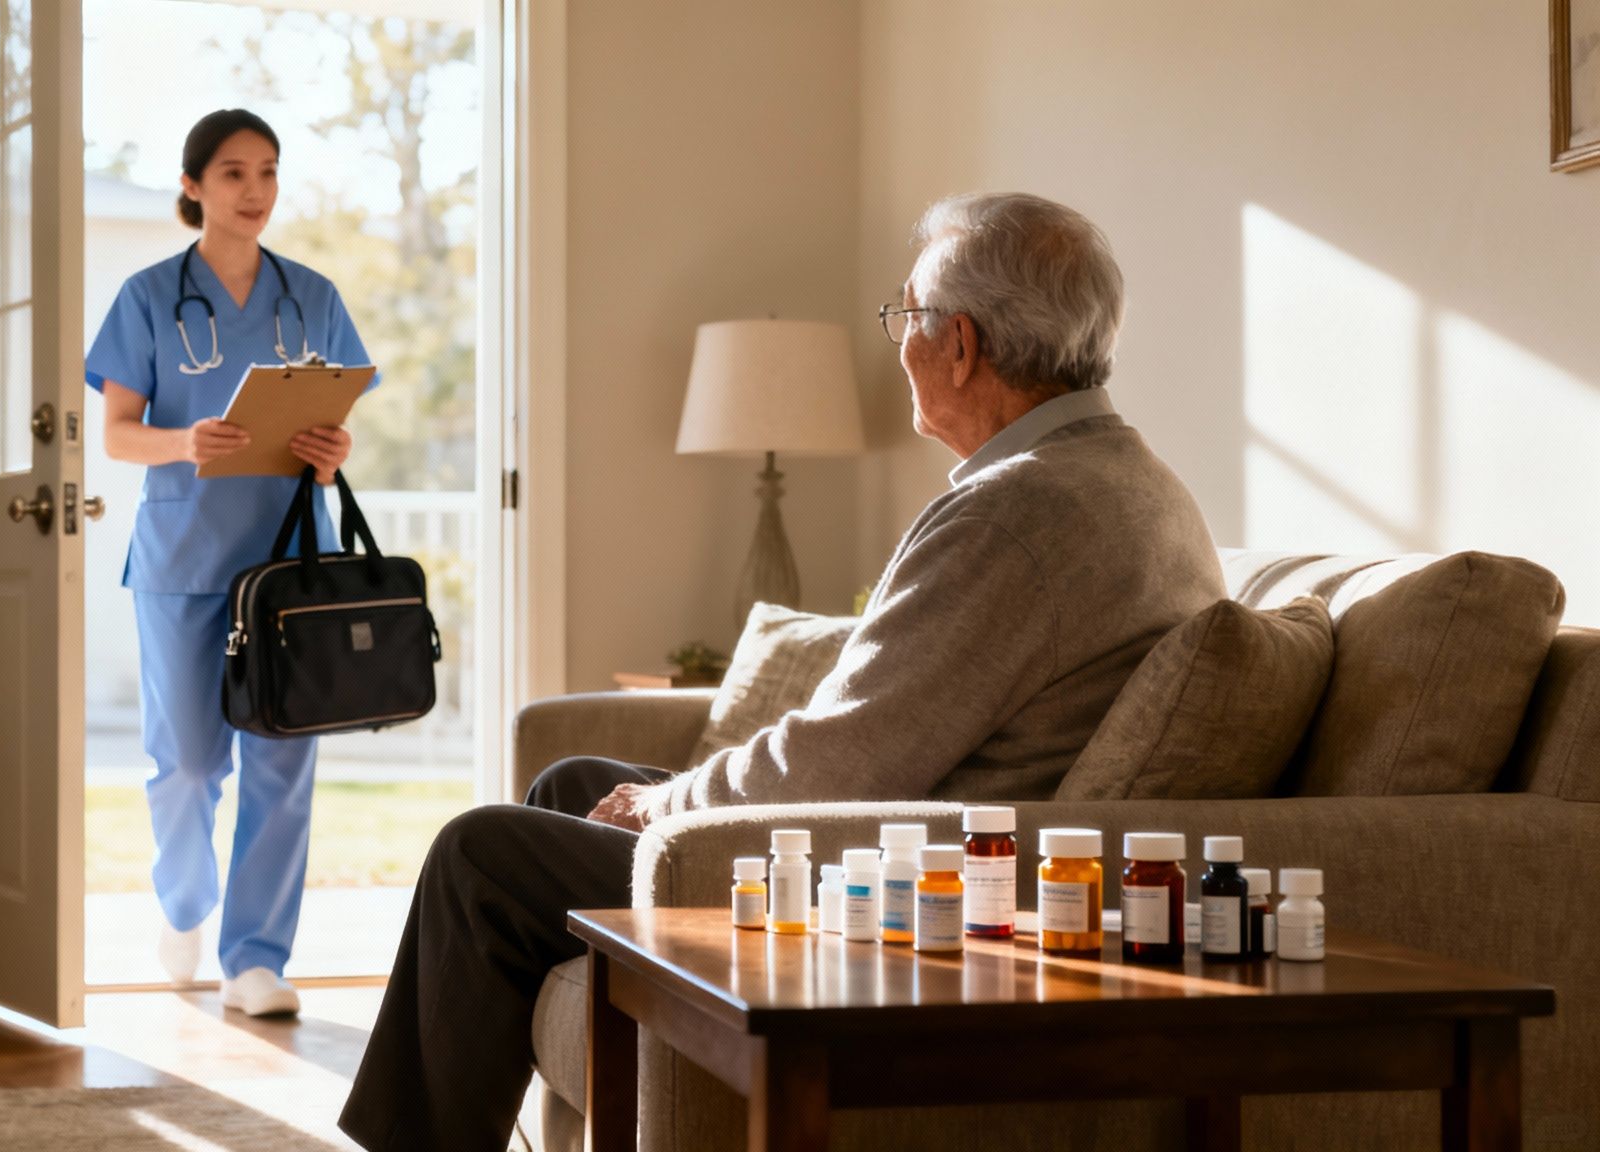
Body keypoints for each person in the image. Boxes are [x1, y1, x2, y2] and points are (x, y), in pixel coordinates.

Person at [337, 192, 1225, 1149]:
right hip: (908, 827)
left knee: (481, 856)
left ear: (959, 344)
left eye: (905, 320)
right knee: (571, 787)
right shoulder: (1140, 482)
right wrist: (659, 796)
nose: (901, 345)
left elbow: (842, 764)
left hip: (896, 878)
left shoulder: (1017, 515)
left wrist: (667, 805)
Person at [86, 109, 375, 1017]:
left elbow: (338, 417)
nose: (255, 193)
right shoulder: (145, 297)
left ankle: (256, 958)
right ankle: (183, 908)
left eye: (268, 173)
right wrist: (184, 442)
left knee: (282, 762)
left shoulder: (313, 296)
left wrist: (334, 451)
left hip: (292, 560)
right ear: (193, 186)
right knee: (185, 764)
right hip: (184, 554)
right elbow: (118, 437)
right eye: (234, 174)